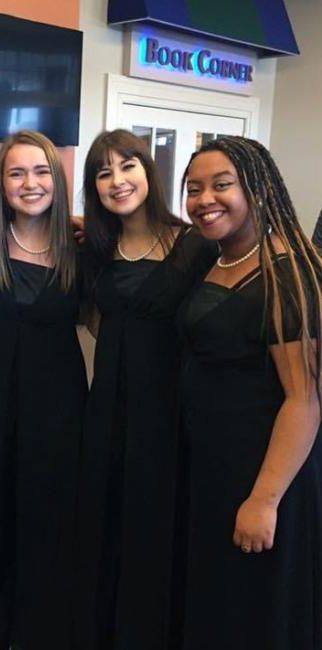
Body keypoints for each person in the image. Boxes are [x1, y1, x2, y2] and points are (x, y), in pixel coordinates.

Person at [73, 129, 217, 650]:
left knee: (158, 524)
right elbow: (92, 322)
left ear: (147, 172)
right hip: (107, 407)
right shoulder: (93, 247)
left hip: (168, 411)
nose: (117, 181)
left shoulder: (193, 243)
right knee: (106, 520)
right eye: (103, 172)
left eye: (127, 166)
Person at [179, 136, 322, 649]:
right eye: (193, 189)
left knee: (257, 609)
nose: (204, 199)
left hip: (262, 471)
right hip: (217, 463)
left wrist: (264, 500)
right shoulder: (216, 256)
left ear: (259, 190)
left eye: (222, 185)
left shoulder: (287, 274)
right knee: (223, 600)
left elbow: (304, 400)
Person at [0, 131, 87, 650]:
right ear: (0, 183)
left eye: (41, 172)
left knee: (49, 517)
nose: (30, 184)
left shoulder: (81, 247)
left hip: (58, 407)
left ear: (56, 179)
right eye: (16, 173)